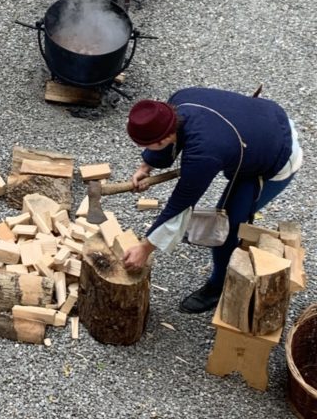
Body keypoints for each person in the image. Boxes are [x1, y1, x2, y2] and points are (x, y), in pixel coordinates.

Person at [121, 89, 303, 313]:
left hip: (276, 156)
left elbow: (181, 203)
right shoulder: (179, 101)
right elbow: (165, 141)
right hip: (262, 121)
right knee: (225, 213)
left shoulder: (204, 154)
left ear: (164, 137)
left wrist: (145, 248)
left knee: (229, 225)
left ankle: (217, 286)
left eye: (147, 146)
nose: (145, 150)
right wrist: (146, 166)